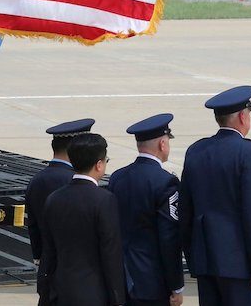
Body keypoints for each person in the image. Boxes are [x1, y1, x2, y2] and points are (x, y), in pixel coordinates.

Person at [179, 86, 251, 306]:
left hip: (206, 259)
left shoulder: (196, 150)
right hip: (239, 264)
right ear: (242, 116)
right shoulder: (250, 153)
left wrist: (193, 258)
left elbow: (185, 209)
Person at [39, 134, 125, 306]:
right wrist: (117, 297)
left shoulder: (54, 198)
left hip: (60, 291)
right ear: (99, 164)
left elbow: (48, 250)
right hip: (94, 294)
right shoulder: (104, 200)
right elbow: (110, 253)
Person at [108, 113, 185, 306]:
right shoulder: (166, 182)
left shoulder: (117, 177)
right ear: (162, 144)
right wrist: (176, 285)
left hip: (121, 277)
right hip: (152, 283)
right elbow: (169, 237)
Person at [25, 118, 95, 265]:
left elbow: (33, 225)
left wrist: (39, 258)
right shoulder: (77, 181)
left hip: (46, 262)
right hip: (76, 265)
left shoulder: (36, 180)